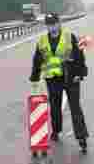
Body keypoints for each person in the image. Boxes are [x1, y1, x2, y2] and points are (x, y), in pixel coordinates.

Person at [29, 12, 89, 153]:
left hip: (70, 77)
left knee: (75, 108)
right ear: (47, 26)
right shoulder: (42, 41)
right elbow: (37, 60)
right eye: (49, 24)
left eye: (54, 23)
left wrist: (80, 74)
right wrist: (35, 77)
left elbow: (79, 55)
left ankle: (82, 138)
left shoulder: (70, 37)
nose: (52, 27)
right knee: (55, 108)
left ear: (59, 23)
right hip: (53, 79)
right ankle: (56, 131)